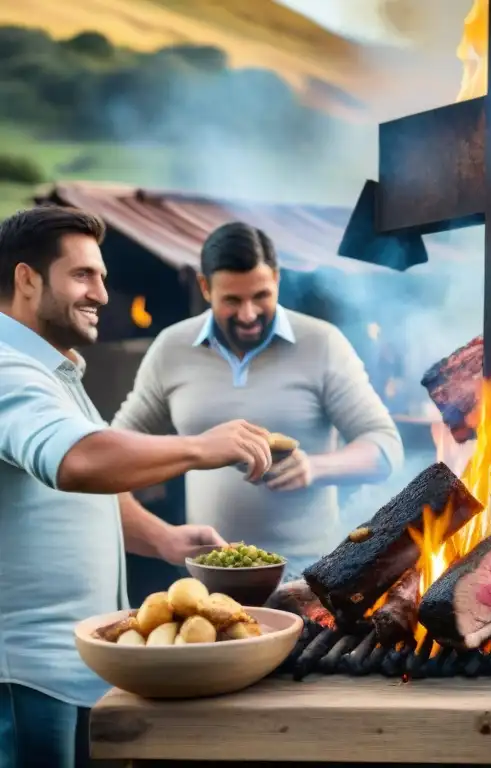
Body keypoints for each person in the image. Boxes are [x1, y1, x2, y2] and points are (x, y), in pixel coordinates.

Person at [0, 206, 275, 768]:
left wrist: (163, 539)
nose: (102, 293)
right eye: (82, 275)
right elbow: (78, 462)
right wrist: (201, 447)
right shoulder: (6, 370)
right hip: (25, 678)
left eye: (101, 276)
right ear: (26, 279)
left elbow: (70, 493)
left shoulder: (52, 371)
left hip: (72, 675)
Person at [113, 221, 403, 582]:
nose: (248, 314)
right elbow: (114, 456)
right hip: (209, 576)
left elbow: (386, 448)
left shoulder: (323, 344)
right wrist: (160, 537)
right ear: (205, 287)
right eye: (232, 300)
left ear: (277, 280)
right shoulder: (171, 348)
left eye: (260, 296)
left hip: (310, 578)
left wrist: (314, 468)